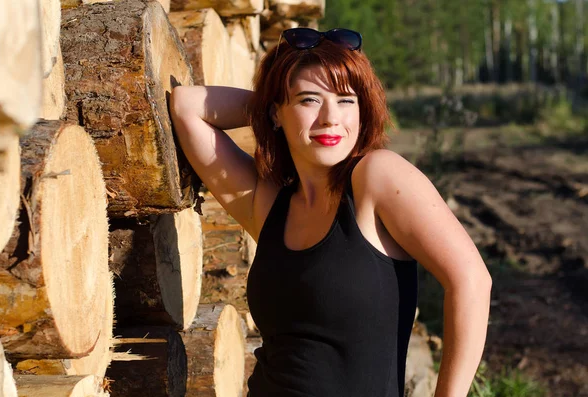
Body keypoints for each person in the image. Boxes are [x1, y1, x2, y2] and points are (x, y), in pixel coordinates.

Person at [170, 27, 492, 397]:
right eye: (310, 100)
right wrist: (271, 107)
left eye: (346, 101)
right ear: (278, 112)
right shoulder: (269, 204)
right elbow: (186, 107)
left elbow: (471, 280)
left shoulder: (377, 178)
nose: (329, 118)